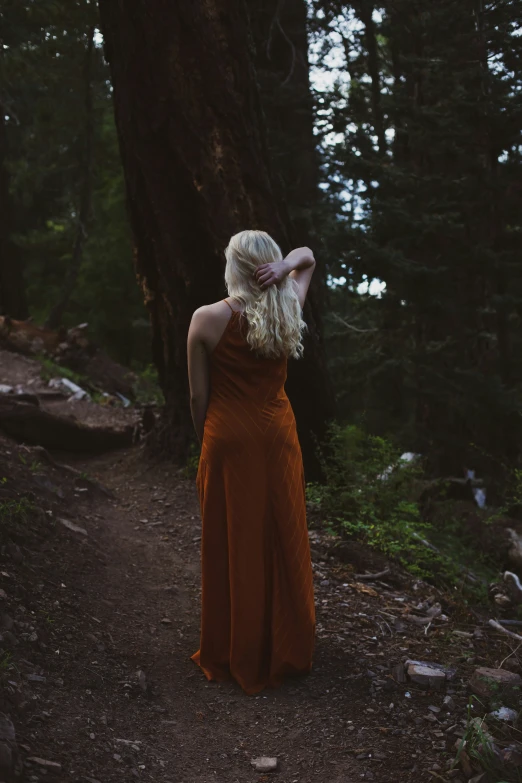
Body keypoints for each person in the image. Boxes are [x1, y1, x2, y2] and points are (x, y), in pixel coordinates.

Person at [187, 229, 316, 695]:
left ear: (234, 266)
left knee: (233, 538)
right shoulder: (288, 308)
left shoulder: (206, 319)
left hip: (228, 440)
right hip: (278, 438)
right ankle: (285, 645)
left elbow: (198, 396)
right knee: (281, 536)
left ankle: (234, 648)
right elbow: (309, 259)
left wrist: (204, 443)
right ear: (269, 265)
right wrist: (287, 268)